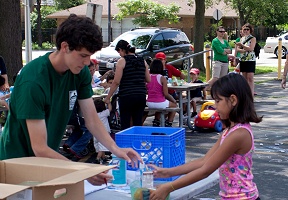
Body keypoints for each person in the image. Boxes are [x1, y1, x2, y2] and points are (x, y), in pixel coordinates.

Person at [0, 14, 141, 185]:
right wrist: (81, 171)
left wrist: (116, 149)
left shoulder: (79, 72)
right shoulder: (33, 81)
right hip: (16, 164)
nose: (87, 62)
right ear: (65, 46)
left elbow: (92, 119)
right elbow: (39, 148)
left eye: (90, 56)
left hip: (47, 161)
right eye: (83, 55)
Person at [149, 73, 262, 200]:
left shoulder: (239, 134)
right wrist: (167, 172)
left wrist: (169, 187)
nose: (214, 105)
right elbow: (204, 161)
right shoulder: (230, 130)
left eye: (218, 100)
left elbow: (206, 170)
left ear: (233, 100)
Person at [104, 39, 150, 130]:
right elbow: (148, 79)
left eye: (119, 52)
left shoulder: (122, 61)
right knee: (138, 123)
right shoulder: (142, 60)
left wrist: (108, 97)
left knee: (125, 123)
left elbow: (116, 82)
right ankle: (137, 142)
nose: (119, 54)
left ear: (122, 49)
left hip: (127, 95)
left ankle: (125, 144)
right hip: (141, 95)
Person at [146, 59, 177, 127]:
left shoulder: (148, 77)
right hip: (160, 102)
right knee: (174, 106)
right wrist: (173, 100)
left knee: (160, 107)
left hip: (149, 102)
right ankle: (169, 122)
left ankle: (156, 121)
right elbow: (166, 94)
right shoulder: (162, 78)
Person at [206, 26, 232, 90]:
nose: (222, 33)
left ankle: (219, 93)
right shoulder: (215, 41)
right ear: (217, 32)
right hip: (217, 62)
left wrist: (225, 50)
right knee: (215, 78)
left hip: (225, 62)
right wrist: (225, 50)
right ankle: (204, 88)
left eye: (223, 31)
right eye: (220, 31)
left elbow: (230, 50)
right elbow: (220, 51)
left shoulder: (225, 41)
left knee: (222, 80)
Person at [235, 23, 257, 96]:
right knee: (244, 79)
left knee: (250, 78)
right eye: (244, 29)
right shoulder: (241, 39)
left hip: (251, 60)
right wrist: (244, 49)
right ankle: (245, 95)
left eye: (248, 29)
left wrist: (242, 46)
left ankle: (251, 95)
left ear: (250, 30)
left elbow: (251, 48)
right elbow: (237, 49)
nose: (246, 31)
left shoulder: (252, 38)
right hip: (243, 60)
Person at [93, 99, 112, 164]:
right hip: (104, 132)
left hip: (95, 132)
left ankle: (103, 157)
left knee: (99, 146)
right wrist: (108, 103)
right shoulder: (104, 113)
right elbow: (110, 109)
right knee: (103, 146)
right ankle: (97, 159)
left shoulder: (93, 115)